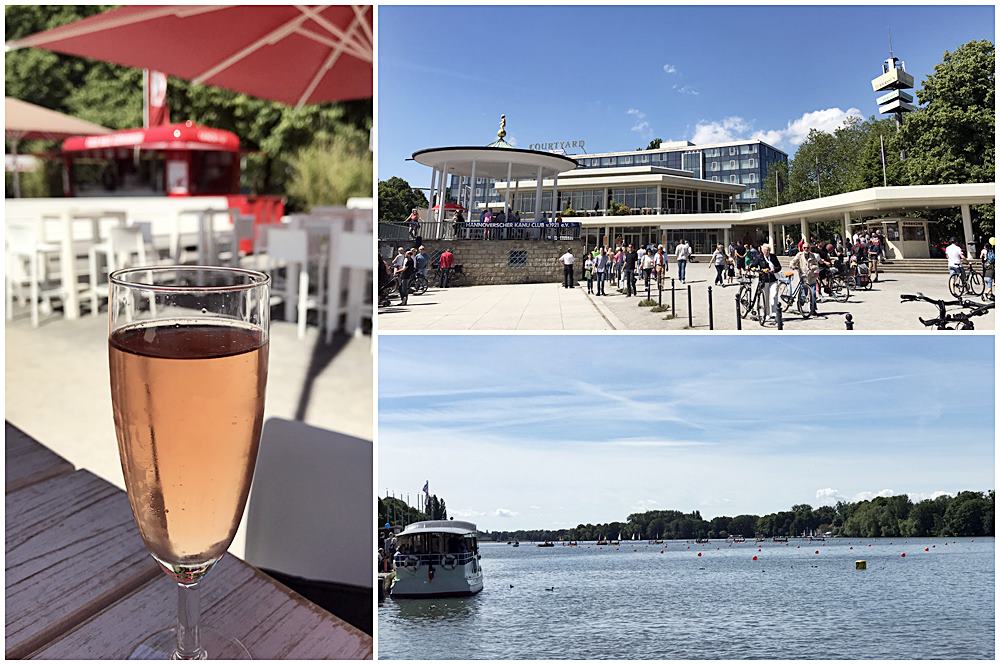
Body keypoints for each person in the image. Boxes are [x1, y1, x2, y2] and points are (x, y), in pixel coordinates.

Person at [751, 243, 782, 323]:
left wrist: (773, 270)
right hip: (764, 280)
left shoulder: (773, 257)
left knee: (774, 295)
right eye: (765, 250)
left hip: (773, 279)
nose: (766, 252)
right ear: (762, 251)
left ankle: (775, 314)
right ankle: (767, 314)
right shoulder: (759, 257)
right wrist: (753, 268)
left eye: (768, 250)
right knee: (766, 298)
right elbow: (753, 265)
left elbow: (779, 267)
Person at [790, 242, 820, 316]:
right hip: (803, 277)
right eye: (804, 248)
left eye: (807, 248)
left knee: (813, 294)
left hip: (811, 277)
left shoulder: (812, 255)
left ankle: (813, 309)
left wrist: (814, 268)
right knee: (804, 295)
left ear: (810, 248)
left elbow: (816, 264)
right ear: (802, 248)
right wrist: (793, 266)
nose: (806, 249)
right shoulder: (799, 255)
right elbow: (793, 262)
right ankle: (800, 303)